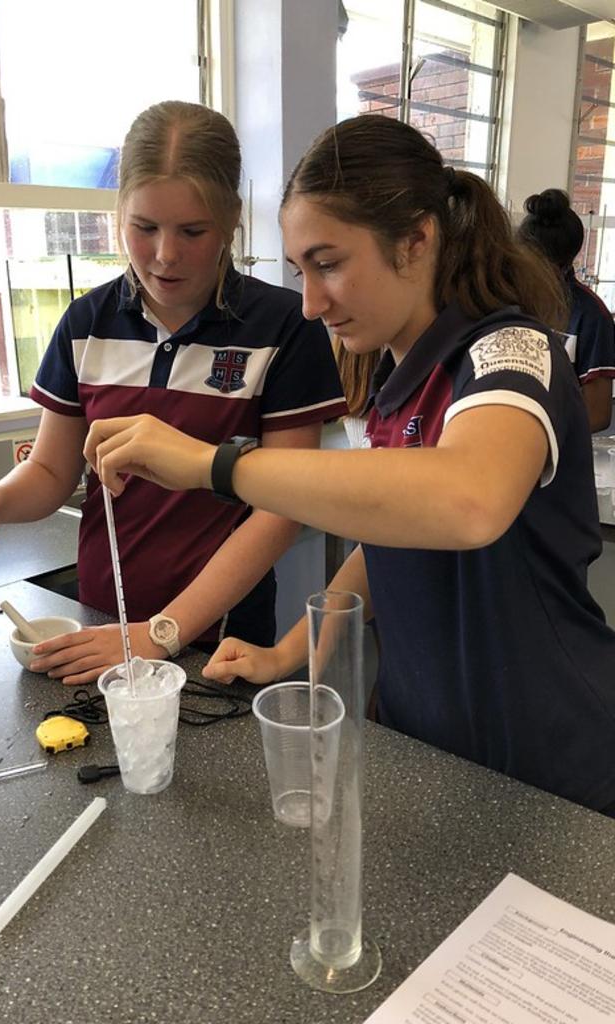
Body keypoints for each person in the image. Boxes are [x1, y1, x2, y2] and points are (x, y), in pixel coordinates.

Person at [85, 114, 615, 814]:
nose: (310, 303)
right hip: (423, 741)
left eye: (329, 264)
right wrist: (293, 652)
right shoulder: (399, 384)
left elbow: (468, 501)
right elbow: (385, 541)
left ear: (417, 239)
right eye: (300, 270)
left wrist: (215, 465)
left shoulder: (512, 353)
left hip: (547, 754)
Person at [0, 100, 347, 684]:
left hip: (218, 637)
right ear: (118, 212)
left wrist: (164, 632)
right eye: (144, 228)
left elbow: (282, 508)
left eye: (192, 232)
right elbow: (50, 475)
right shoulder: (86, 323)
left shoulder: (283, 327)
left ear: (231, 220)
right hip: (103, 619)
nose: (165, 255)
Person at [518, 188, 615, 432]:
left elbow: (597, 413)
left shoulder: (590, 316)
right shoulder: (508, 300)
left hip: (552, 450)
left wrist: (532, 436)